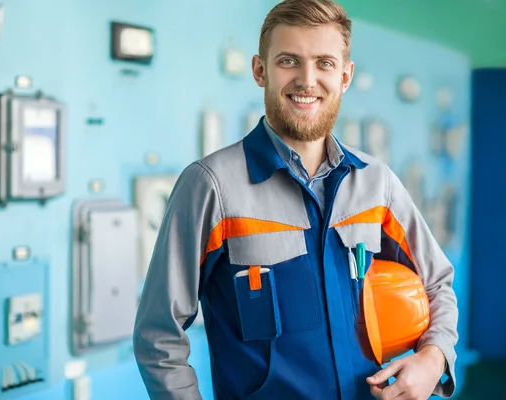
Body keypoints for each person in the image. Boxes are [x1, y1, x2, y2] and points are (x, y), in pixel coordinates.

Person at [133, 0, 458, 399]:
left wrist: (434, 357)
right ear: (260, 70)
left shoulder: (377, 184)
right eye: (289, 61)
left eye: (324, 63)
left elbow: (437, 283)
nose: (307, 80)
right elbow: (158, 334)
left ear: (345, 76)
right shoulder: (212, 187)